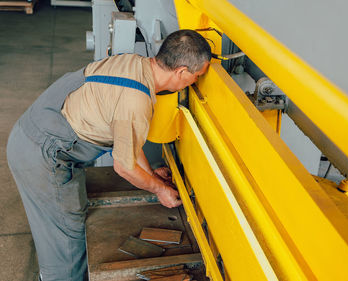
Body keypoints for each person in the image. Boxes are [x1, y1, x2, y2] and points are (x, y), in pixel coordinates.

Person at [6, 29, 211, 281]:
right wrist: (159, 189)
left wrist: (150, 176)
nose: (196, 82)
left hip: (34, 130)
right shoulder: (137, 100)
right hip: (44, 155)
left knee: (56, 237)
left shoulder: (134, 63)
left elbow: (127, 143)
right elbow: (124, 166)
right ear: (181, 72)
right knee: (66, 243)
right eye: (197, 76)